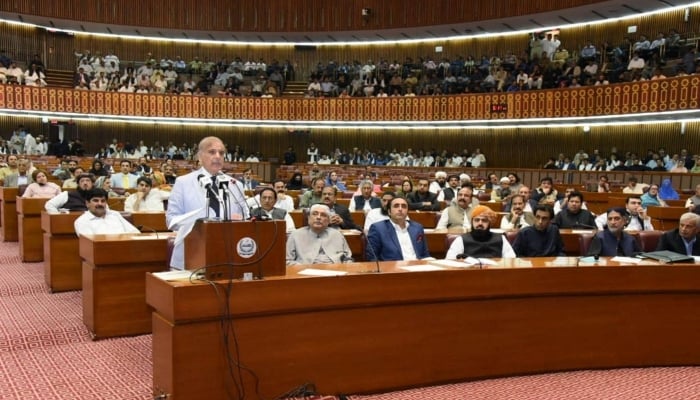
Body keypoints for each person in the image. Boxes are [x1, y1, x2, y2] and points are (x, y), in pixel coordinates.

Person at [166, 136, 249, 270]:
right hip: (191, 256)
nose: (217, 156)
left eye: (221, 153)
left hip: (227, 257)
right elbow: (171, 221)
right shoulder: (183, 182)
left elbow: (245, 218)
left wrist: (242, 220)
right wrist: (204, 218)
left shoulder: (235, 185)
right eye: (212, 152)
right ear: (200, 156)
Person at [366, 197, 431, 261]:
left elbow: (425, 254)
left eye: (404, 206)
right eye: (396, 206)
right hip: (393, 269)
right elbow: (372, 257)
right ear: (389, 212)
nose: (400, 209)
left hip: (418, 267)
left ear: (407, 211)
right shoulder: (378, 228)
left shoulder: (417, 227)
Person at [286, 204, 351, 265]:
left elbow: (348, 257)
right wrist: (302, 268)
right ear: (308, 218)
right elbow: (287, 260)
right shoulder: (296, 235)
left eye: (323, 215)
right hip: (306, 272)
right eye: (315, 214)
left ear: (328, 220)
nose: (318, 217)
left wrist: (347, 265)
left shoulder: (337, 234)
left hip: (336, 271)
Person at [445, 205, 516, 259]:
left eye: (484, 220)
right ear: (472, 222)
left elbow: (511, 260)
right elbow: (450, 261)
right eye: (476, 220)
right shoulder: (461, 240)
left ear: (489, 223)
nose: (480, 223)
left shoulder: (501, 239)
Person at [74, 188, 140, 236]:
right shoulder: (82, 221)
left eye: (103, 201)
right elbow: (91, 243)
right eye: (96, 201)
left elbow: (135, 233)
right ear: (87, 203)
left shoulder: (115, 214)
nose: (100, 204)